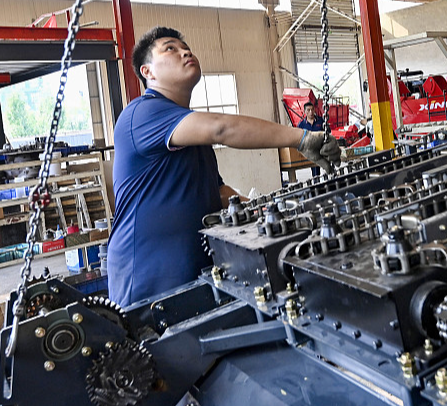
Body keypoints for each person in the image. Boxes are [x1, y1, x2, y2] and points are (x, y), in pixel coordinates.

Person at [108, 26, 341, 307]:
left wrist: (265, 211)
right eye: (170, 48)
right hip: (149, 286)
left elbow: (217, 192)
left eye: (186, 47)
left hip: (195, 277)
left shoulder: (186, 128)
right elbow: (222, 128)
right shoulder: (142, 113)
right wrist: (301, 138)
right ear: (148, 72)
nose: (185, 51)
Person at [296, 102, 325, 177]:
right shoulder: (302, 125)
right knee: (315, 170)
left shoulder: (321, 121)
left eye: (312, 110)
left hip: (321, 147)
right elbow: (298, 137)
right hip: (309, 150)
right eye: (308, 110)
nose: (311, 112)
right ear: (305, 111)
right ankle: (316, 180)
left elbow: (328, 133)